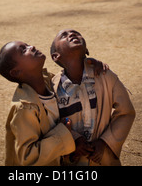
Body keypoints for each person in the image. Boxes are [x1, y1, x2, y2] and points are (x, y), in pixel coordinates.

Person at [0, 41, 108, 166]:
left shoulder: (52, 82)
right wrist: (65, 135)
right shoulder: (24, 108)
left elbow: (75, 76)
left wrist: (89, 65)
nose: (31, 46)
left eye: (27, 44)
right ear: (16, 72)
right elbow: (28, 157)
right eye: (23, 50)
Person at [50, 29, 136, 166]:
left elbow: (126, 112)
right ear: (56, 56)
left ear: (86, 50)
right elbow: (52, 123)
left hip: (103, 159)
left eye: (76, 33)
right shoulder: (53, 88)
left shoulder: (105, 76)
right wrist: (72, 140)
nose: (72, 35)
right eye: (64, 36)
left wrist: (105, 142)